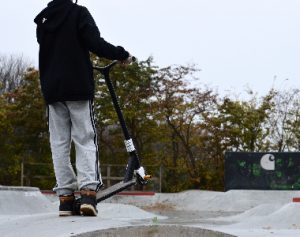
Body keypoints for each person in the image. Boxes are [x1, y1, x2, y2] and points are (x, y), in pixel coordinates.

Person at [34, 0, 132, 217]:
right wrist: (122, 54)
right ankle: (88, 193)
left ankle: (65, 200)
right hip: (77, 86)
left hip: (52, 89)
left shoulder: (43, 20)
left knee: (58, 143)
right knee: (85, 138)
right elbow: (95, 43)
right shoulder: (78, 13)